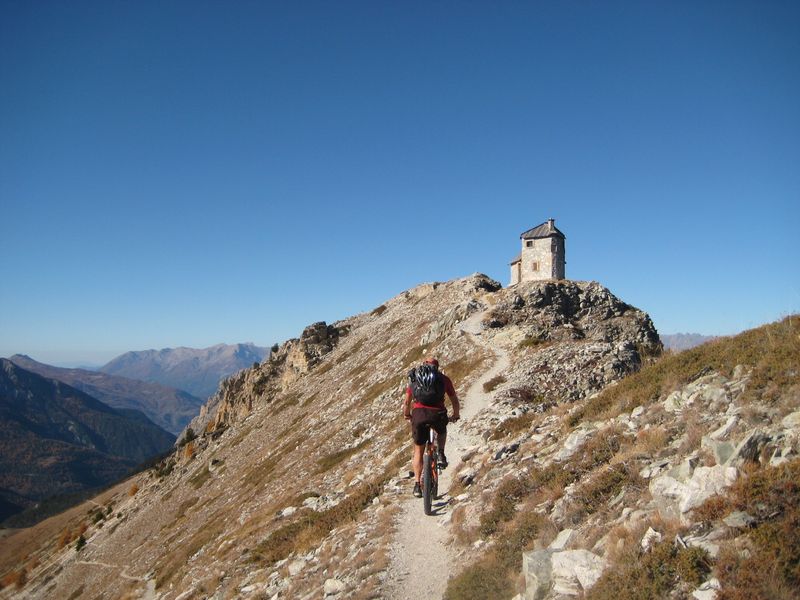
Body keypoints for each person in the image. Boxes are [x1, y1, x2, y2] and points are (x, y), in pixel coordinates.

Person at [403, 357, 460, 498]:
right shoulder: (443, 379)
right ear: (437, 367)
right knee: (441, 431)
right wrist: (456, 415)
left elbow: (406, 402)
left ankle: (417, 485)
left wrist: (407, 415)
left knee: (418, 451)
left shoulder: (415, 379)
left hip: (419, 415)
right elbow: (454, 400)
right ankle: (440, 453)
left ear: (424, 365)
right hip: (438, 414)